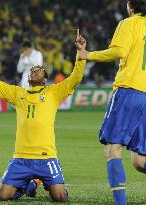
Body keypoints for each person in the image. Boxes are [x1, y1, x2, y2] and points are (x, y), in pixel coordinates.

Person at [0, 33, 86, 202]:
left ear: (45, 79)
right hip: (21, 157)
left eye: (38, 69)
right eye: (32, 69)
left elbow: (75, 78)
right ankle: (28, 186)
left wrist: (81, 55)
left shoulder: (53, 92)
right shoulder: (18, 93)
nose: (34, 70)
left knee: (60, 197)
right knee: (2, 196)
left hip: (46, 156)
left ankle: (41, 183)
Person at [78, 1, 146, 204]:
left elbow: (119, 52)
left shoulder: (129, 23)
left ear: (129, 5)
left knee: (112, 148)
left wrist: (88, 55)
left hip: (129, 91)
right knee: (140, 160)